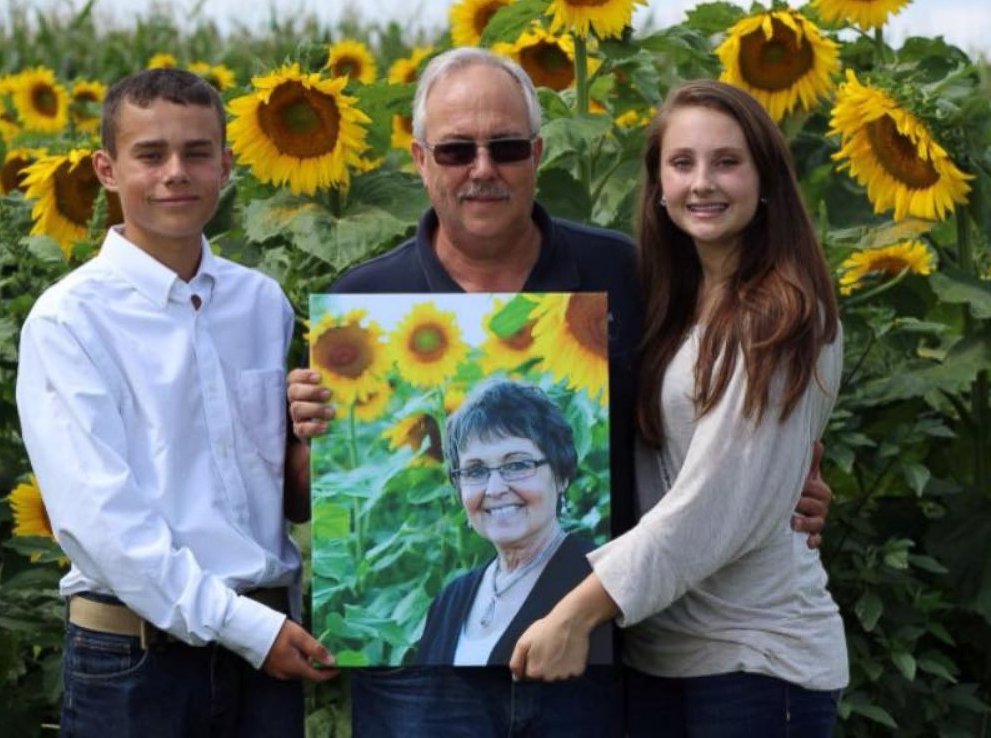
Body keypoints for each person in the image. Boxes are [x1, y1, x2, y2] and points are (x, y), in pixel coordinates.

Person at [287, 48, 832, 737]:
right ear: (421, 160)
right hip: (420, 685)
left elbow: (709, 400)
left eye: (507, 147)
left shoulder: (628, 273)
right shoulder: (361, 304)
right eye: (457, 151)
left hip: (593, 666)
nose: (483, 169)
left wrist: (788, 483)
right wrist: (308, 438)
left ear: (538, 153)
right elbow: (303, 500)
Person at [510, 79, 847, 736]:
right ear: (658, 185)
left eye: (727, 161)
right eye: (682, 163)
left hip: (753, 660)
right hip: (666, 658)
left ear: (766, 177)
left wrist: (573, 614)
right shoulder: (683, 303)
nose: (703, 183)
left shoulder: (778, 318)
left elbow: (708, 508)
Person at [15, 67, 334, 738]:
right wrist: (246, 626)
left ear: (226, 163)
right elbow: (103, 520)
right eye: (150, 154)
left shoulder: (261, 303)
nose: (175, 173)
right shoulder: (69, 320)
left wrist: (315, 434)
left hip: (264, 654)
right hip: (136, 660)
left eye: (196, 153)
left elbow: (278, 490)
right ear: (106, 169)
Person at [415, 379, 612, 667]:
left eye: (517, 465)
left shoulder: (601, 583)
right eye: (476, 470)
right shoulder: (449, 600)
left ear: (561, 475)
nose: (494, 488)